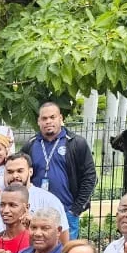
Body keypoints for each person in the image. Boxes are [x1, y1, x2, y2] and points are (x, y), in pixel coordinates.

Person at [20, 102, 97, 238]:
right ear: (38, 121)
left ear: (61, 119)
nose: (48, 121)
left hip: (67, 212)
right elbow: (19, 172)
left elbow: (90, 177)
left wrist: (76, 209)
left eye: (52, 117)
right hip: (36, 213)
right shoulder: (30, 145)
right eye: (44, 118)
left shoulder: (75, 143)